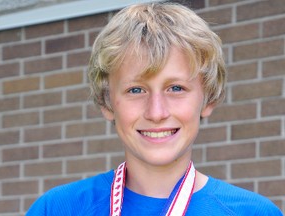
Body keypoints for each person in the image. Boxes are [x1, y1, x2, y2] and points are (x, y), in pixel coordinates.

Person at [26, 2, 283, 216]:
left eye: (176, 88)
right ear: (106, 103)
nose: (156, 112)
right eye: (136, 90)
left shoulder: (254, 212)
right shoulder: (58, 209)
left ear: (209, 99)